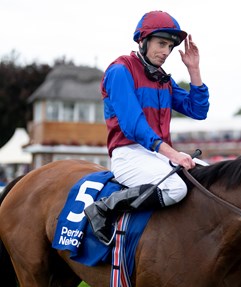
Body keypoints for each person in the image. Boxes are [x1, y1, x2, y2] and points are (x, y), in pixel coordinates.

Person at [84, 10, 210, 245]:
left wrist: (194, 70)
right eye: (161, 43)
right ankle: (103, 209)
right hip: (128, 155)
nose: (166, 52)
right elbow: (134, 126)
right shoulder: (120, 71)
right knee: (176, 189)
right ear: (143, 41)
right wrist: (174, 154)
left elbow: (198, 110)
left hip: (157, 156)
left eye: (170, 47)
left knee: (210, 177)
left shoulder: (162, 78)